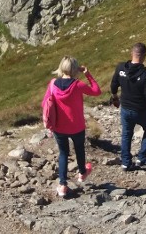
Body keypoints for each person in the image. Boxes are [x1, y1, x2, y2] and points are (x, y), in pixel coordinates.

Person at [43, 56, 101, 197]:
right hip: (77, 126)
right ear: (76, 69)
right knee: (79, 149)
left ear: (61, 67)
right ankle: (82, 173)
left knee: (63, 153)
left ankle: (62, 185)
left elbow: (45, 103)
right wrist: (87, 73)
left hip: (58, 127)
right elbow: (96, 91)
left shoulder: (52, 84)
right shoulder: (77, 84)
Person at [111, 43, 146, 170]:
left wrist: (115, 98)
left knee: (126, 134)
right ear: (144, 56)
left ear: (132, 53)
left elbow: (113, 86)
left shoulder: (121, 68)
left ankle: (126, 162)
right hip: (141, 110)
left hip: (125, 109)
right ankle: (141, 158)